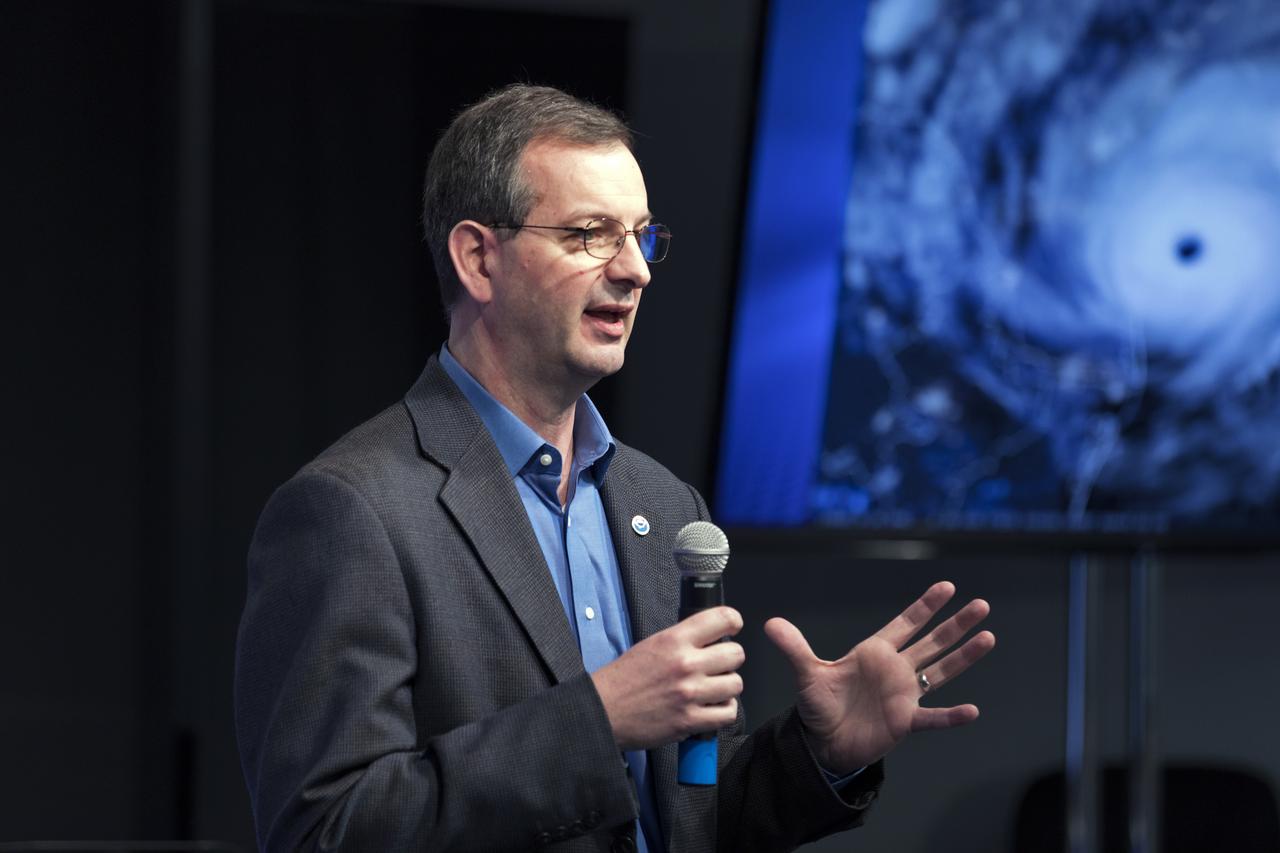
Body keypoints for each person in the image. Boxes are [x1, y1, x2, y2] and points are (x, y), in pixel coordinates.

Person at [234, 83, 995, 853]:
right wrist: (595, 719)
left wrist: (820, 753)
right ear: (477, 258)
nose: (636, 271)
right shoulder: (353, 510)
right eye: (592, 234)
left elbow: (688, 816)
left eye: (640, 235)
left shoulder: (664, 505)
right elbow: (323, 832)